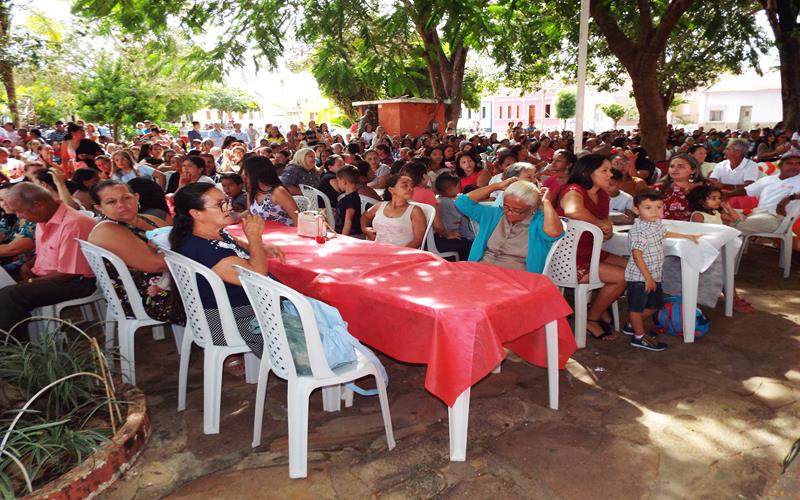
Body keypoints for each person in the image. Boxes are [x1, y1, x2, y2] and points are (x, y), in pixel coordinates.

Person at [170, 182, 285, 361]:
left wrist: (259, 247)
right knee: (318, 307)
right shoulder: (205, 250)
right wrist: (255, 237)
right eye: (219, 204)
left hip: (236, 310)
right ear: (196, 214)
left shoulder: (209, 235)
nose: (229, 207)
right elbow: (257, 276)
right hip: (233, 321)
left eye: (226, 201)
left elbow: (234, 245)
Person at [0, 183, 97, 336]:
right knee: (7, 287)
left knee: (11, 295)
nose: (18, 216)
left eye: (19, 210)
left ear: (37, 205)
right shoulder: (44, 218)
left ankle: (13, 349)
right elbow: (45, 251)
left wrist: (30, 283)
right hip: (49, 274)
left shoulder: (73, 224)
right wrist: (29, 264)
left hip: (76, 281)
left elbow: (70, 273)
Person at [87, 180, 183, 322]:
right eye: (111, 202)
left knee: (220, 285)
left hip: (174, 282)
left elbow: (180, 244)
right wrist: (194, 251)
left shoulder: (151, 219)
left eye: (126, 198)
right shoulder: (107, 230)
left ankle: (219, 337)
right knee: (215, 295)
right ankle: (219, 338)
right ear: (99, 208)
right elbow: (155, 264)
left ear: (136, 197)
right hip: (146, 297)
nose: (121, 205)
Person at [557, 154, 628, 340]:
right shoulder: (573, 190)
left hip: (591, 251)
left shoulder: (602, 195)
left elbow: (602, 226)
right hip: (569, 258)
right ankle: (592, 318)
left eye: (610, 169)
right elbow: (573, 211)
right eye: (604, 170)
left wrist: (606, 230)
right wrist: (601, 223)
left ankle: (598, 306)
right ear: (588, 173)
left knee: (634, 268)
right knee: (623, 277)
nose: (610, 174)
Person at [624, 189, 701, 352]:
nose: (654, 211)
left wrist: (687, 236)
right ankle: (639, 337)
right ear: (637, 210)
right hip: (640, 277)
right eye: (648, 208)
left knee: (654, 305)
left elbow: (664, 232)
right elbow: (637, 255)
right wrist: (648, 278)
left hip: (654, 275)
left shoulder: (655, 224)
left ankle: (632, 325)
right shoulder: (638, 231)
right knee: (636, 308)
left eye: (659, 207)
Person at [455, 176, 562, 272]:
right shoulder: (495, 214)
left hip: (516, 277)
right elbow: (462, 203)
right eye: (506, 206)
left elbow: (555, 232)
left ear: (532, 208)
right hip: (480, 270)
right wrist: (496, 186)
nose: (509, 212)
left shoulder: (539, 222)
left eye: (516, 210)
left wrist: (546, 202)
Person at [723, 150, 800, 234]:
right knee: (720, 214)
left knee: (731, 225)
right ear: (780, 165)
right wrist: (727, 194)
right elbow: (746, 190)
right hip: (756, 214)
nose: (794, 167)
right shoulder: (769, 179)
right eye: (790, 163)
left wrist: (790, 197)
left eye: (798, 164)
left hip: (776, 219)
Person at [361, 174, 426, 248]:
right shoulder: (380, 206)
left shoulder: (415, 211)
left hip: (401, 254)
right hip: (377, 250)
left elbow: (418, 239)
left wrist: (399, 253)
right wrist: (365, 229)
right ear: (391, 190)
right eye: (405, 186)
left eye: (411, 186)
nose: (410, 189)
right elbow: (365, 216)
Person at [246, 155, 298, 226]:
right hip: (262, 234)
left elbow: (297, 218)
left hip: (284, 234)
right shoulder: (251, 192)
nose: (244, 176)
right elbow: (251, 216)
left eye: (246, 173)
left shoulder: (278, 191)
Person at [653, 153, 703, 221]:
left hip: (697, 228)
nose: (675, 169)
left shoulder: (703, 187)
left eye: (680, 166)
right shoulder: (659, 188)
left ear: (693, 170)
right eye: (672, 166)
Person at [0, 185, 35, 278]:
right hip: (22, 262)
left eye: (7, 199)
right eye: (1, 200)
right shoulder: (9, 218)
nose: (4, 204)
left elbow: (11, 249)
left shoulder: (33, 219)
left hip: (35, 266)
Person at [335, 165, 362, 236]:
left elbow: (348, 221)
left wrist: (343, 239)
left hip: (350, 235)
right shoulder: (349, 197)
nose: (337, 183)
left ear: (344, 182)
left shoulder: (351, 199)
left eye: (338, 180)